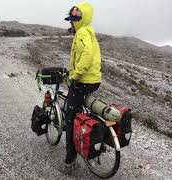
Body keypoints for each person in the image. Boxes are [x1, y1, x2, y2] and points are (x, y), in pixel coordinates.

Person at [63, 2, 102, 173]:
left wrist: (75, 75)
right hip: (93, 80)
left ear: (81, 18)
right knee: (80, 109)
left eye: (72, 19)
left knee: (69, 119)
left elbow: (86, 55)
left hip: (83, 80)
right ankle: (89, 133)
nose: (71, 23)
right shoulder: (88, 31)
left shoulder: (82, 33)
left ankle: (70, 161)